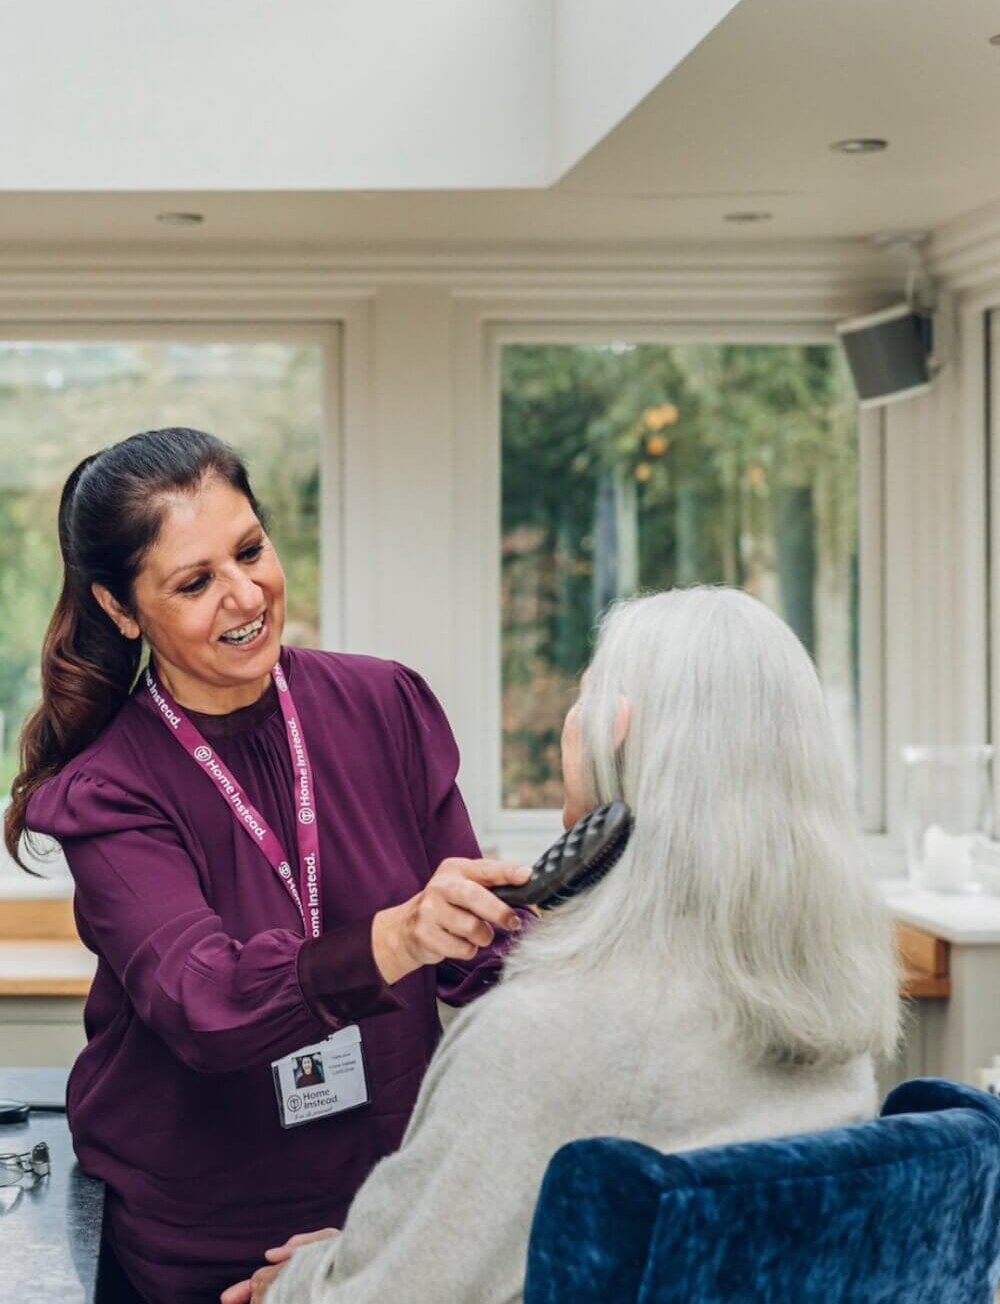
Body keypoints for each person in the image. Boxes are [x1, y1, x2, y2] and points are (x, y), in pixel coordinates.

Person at [224, 587, 900, 1304]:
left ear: (617, 734)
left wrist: (297, 1282)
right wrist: (371, 1250)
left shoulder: (536, 1037)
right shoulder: (832, 1025)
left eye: (583, 697)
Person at [3, 427, 531, 1304]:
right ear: (122, 609)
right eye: (194, 581)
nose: (245, 594)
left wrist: (562, 921)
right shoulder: (109, 788)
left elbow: (477, 955)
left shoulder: (384, 704)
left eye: (251, 550)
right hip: (200, 1252)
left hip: (381, 1225)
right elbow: (203, 1002)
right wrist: (396, 937)